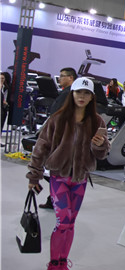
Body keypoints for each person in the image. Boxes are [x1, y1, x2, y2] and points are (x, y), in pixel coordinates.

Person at [26, 77, 110, 270]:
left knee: (71, 222)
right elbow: (41, 147)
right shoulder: (58, 118)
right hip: (59, 177)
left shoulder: (97, 122)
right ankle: (53, 264)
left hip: (80, 179)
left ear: (92, 97)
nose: (82, 96)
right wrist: (34, 175)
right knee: (63, 221)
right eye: (78, 92)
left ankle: (63, 262)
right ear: (72, 94)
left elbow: (102, 154)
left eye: (86, 93)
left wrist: (99, 145)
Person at [40, 67, 77, 210]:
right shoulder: (66, 93)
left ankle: (58, 198)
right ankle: (55, 198)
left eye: (62, 76)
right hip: (59, 135)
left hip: (62, 137)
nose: (59, 78)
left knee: (56, 169)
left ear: (71, 78)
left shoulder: (70, 94)